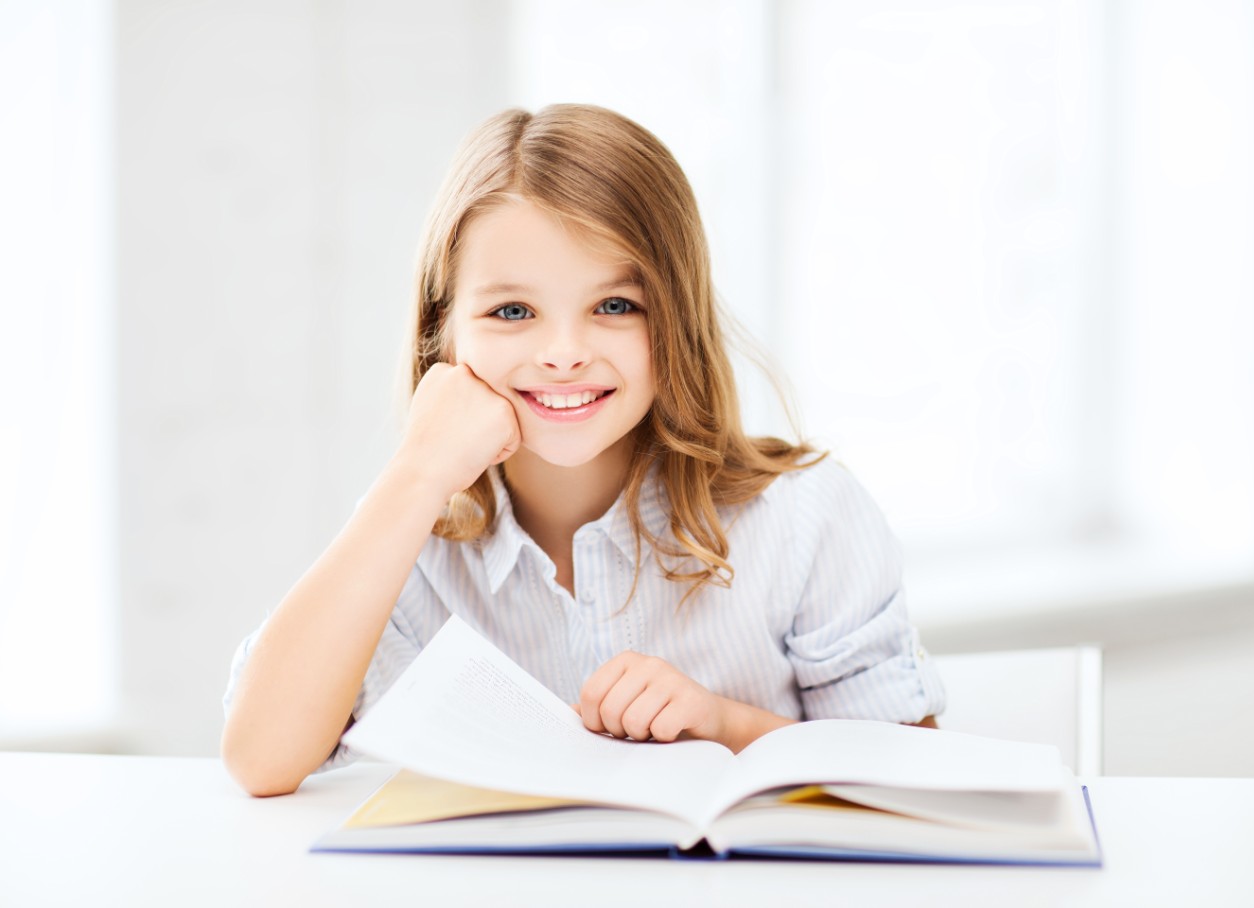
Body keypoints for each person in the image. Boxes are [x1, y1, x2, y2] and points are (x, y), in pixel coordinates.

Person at [221, 104, 945, 797]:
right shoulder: (409, 538)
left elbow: (915, 783)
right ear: (445, 329)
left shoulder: (806, 518)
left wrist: (725, 726)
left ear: (678, 318)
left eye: (615, 306)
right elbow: (260, 758)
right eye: (512, 311)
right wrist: (415, 472)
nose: (564, 353)